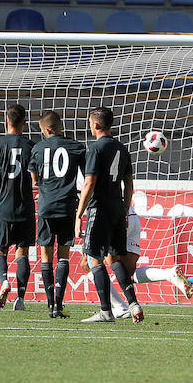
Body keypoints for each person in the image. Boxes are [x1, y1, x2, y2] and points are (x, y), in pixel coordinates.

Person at [75, 106, 144, 323]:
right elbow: (129, 182)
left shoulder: (95, 148)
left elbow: (90, 182)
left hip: (100, 209)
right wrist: (124, 209)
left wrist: (79, 214)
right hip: (117, 208)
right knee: (113, 258)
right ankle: (133, 303)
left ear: (95, 125)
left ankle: (106, 311)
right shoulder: (122, 149)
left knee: (95, 260)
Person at [80, 203, 193, 319]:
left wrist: (81, 219)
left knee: (91, 263)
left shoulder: (90, 185)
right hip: (129, 215)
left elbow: (91, 195)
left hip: (106, 216)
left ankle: (119, 307)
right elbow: (129, 185)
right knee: (128, 274)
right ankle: (169, 274)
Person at [27, 111, 86, 319]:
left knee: (45, 256)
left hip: (45, 206)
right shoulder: (76, 146)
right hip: (67, 206)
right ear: (59, 126)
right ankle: (58, 306)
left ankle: (50, 303)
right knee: (63, 255)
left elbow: (33, 175)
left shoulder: (37, 148)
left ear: (47, 130)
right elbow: (87, 175)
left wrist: (40, 184)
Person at [0, 104, 35, 311]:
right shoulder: (32, 147)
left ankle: (4, 281)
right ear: (25, 122)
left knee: (0, 250)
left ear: (6, 120)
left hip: (3, 206)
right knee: (22, 252)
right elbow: (35, 178)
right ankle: (20, 299)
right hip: (25, 207)